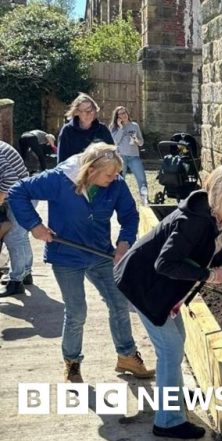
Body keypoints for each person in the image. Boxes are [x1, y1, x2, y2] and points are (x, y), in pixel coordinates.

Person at [114, 164, 222, 440]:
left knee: (176, 341)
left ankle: (176, 398)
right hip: (143, 285)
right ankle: (168, 421)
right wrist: (207, 274)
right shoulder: (193, 219)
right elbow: (165, 263)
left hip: (165, 287)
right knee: (170, 349)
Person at [8, 142, 154, 383]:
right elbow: (17, 191)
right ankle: (72, 363)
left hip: (100, 254)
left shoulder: (115, 184)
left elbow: (129, 215)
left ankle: (127, 356)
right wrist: (34, 226)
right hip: (66, 256)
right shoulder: (59, 179)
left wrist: (124, 243)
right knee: (77, 311)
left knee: (119, 303)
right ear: (91, 169)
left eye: (117, 173)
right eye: (109, 174)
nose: (115, 178)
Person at [0, 140, 33, 297]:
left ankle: (16, 282)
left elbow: (9, 179)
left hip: (21, 195)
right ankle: (25, 273)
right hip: (23, 193)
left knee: (13, 237)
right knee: (20, 236)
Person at [57, 93, 114, 164]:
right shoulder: (67, 130)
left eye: (92, 110)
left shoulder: (102, 129)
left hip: (98, 173)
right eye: (86, 111)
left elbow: (112, 154)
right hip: (75, 172)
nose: (90, 113)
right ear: (76, 112)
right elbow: (62, 161)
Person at [110, 106, 148, 204]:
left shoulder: (134, 125)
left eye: (125, 113)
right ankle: (117, 200)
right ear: (117, 117)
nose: (124, 115)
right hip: (120, 157)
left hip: (134, 156)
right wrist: (121, 128)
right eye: (121, 114)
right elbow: (115, 142)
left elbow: (141, 142)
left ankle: (144, 200)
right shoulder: (114, 127)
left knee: (141, 178)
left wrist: (137, 140)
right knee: (119, 180)